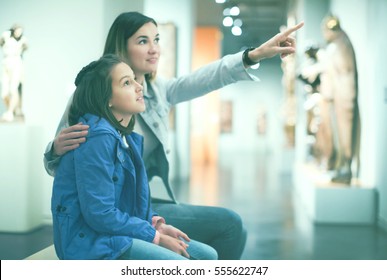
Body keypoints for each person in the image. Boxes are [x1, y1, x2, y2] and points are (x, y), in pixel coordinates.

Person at [44, 11, 304, 259]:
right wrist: (54, 149)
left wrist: (253, 55)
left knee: (231, 231)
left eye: (157, 40)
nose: (154, 48)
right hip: (113, 210)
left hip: (143, 203)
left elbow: (205, 78)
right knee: (229, 226)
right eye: (143, 41)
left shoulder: (156, 91)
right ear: (121, 48)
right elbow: (69, 167)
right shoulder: (94, 99)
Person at [52, 54, 218, 260]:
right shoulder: (98, 138)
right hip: (90, 243)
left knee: (208, 256)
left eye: (134, 80)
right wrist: (154, 237)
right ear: (106, 99)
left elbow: (127, 204)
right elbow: (100, 214)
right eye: (127, 83)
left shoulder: (122, 136)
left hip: (111, 234)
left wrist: (155, 223)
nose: (139, 86)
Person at [0, 24, 27, 122]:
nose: (18, 33)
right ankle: (11, 110)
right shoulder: (6, 36)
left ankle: (10, 112)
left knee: (13, 90)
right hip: (6, 64)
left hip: (16, 65)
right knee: (4, 94)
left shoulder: (23, 40)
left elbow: (26, 47)